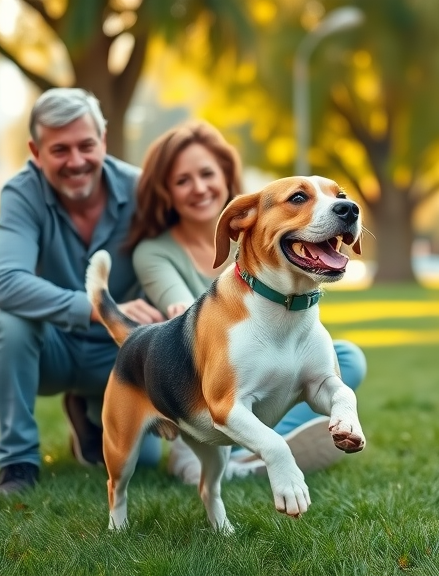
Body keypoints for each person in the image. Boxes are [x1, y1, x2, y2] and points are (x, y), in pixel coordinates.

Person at [125, 120, 367, 484]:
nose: (200, 187)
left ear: (224, 175)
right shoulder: (156, 250)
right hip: (184, 371)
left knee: (346, 358)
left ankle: (249, 445)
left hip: (267, 359)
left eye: (207, 173)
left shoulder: (266, 234)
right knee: (142, 459)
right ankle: (221, 443)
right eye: (182, 180)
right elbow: (177, 305)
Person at [0, 88, 165, 495]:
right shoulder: (21, 193)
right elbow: (7, 282)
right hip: (50, 349)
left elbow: (180, 253)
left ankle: (87, 415)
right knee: (8, 322)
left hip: (120, 352)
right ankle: (18, 461)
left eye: (86, 145)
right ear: (35, 150)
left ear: (103, 139)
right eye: (60, 150)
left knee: (147, 461)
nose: (77, 161)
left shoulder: (141, 190)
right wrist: (99, 308)